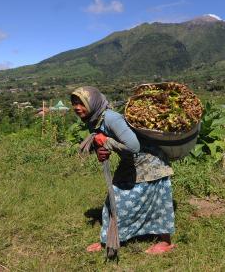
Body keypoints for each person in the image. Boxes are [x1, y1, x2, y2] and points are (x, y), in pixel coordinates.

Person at [70, 86, 176, 255]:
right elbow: (103, 142)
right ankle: (108, 239)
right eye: (74, 103)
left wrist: (106, 141)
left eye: (81, 102)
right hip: (131, 162)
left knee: (157, 202)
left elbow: (133, 145)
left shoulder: (111, 118)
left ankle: (165, 242)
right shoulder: (93, 120)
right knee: (114, 202)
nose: (76, 107)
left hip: (151, 162)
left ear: (93, 102)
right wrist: (101, 149)